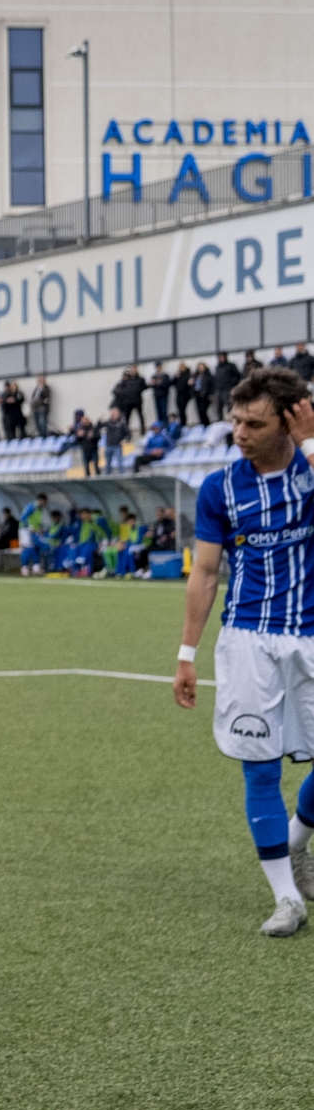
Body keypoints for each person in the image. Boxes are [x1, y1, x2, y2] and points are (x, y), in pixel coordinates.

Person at [174, 365, 314, 937]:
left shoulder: (309, 469)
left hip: (311, 634)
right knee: (260, 769)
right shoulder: (220, 488)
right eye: (235, 421)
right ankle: (287, 898)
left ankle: (296, 840)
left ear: (289, 420)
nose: (239, 433)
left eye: (254, 423)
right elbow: (206, 573)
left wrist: (311, 444)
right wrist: (186, 653)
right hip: (248, 639)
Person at [18, 492, 51, 576]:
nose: (45, 504)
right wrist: (29, 526)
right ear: (41, 500)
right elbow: (23, 517)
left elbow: (36, 520)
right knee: (27, 547)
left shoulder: (40, 509)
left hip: (33, 530)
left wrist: (39, 528)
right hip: (25, 530)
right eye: (45, 502)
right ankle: (24, 568)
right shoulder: (32, 506)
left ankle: (36, 568)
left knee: (34, 547)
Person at [111, 365, 148, 433]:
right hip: (128, 402)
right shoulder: (127, 380)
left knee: (140, 415)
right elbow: (119, 389)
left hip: (137, 401)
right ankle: (126, 431)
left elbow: (145, 387)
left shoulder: (140, 379)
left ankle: (143, 430)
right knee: (127, 417)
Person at [102, 408, 129, 473]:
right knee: (108, 462)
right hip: (109, 445)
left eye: (115, 413)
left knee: (120, 461)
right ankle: (108, 475)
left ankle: (122, 475)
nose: (113, 414)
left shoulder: (121, 423)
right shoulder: (108, 423)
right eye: (113, 413)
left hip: (117, 445)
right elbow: (99, 426)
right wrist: (100, 421)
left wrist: (124, 440)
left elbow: (128, 434)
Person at [214, 352, 240, 420]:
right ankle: (220, 420)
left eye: (222, 357)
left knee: (229, 406)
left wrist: (232, 385)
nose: (221, 358)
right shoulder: (217, 367)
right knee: (218, 407)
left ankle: (231, 419)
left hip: (227, 389)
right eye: (220, 357)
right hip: (219, 389)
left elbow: (237, 376)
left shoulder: (231, 366)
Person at [149, 362, 173, 429]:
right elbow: (152, 386)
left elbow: (168, 385)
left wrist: (161, 383)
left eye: (159, 367)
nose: (158, 368)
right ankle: (160, 427)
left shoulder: (165, 376)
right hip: (157, 396)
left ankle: (165, 426)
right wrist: (153, 384)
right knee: (158, 412)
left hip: (163, 396)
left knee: (164, 411)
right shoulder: (154, 376)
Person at [172, 361, 195, 427]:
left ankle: (184, 424)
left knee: (182, 411)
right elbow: (173, 383)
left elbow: (190, 385)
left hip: (185, 395)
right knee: (180, 411)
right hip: (179, 395)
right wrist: (176, 376)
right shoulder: (179, 375)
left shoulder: (188, 375)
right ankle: (182, 423)